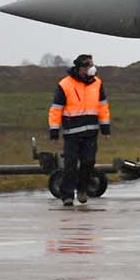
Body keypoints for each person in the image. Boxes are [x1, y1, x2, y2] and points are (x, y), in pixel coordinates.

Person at [47, 53, 111, 206]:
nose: (91, 68)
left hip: (91, 132)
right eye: (88, 65)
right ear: (80, 68)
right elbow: (56, 109)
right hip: (72, 132)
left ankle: (82, 188)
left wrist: (105, 126)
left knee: (89, 162)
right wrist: (54, 129)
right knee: (70, 164)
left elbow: (103, 106)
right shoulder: (65, 84)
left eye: (92, 64)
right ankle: (67, 195)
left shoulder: (97, 83)